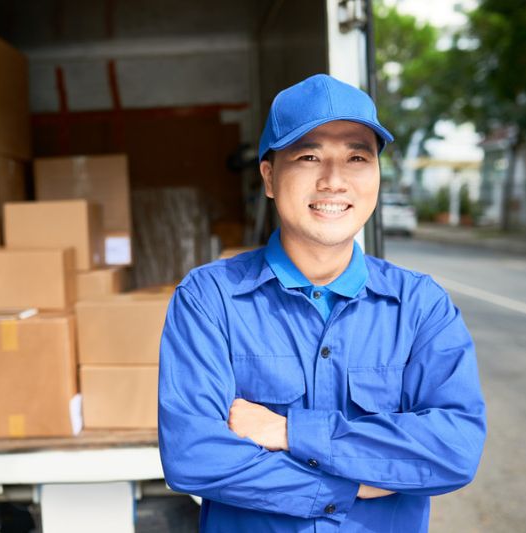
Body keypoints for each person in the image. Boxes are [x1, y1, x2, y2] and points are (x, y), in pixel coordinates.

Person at [157, 73, 486, 532]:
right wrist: (349, 486)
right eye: (309, 156)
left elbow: (454, 450)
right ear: (269, 178)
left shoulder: (419, 306)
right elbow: (193, 456)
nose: (333, 181)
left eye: (357, 157)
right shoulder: (209, 299)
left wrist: (289, 432)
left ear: (376, 175)